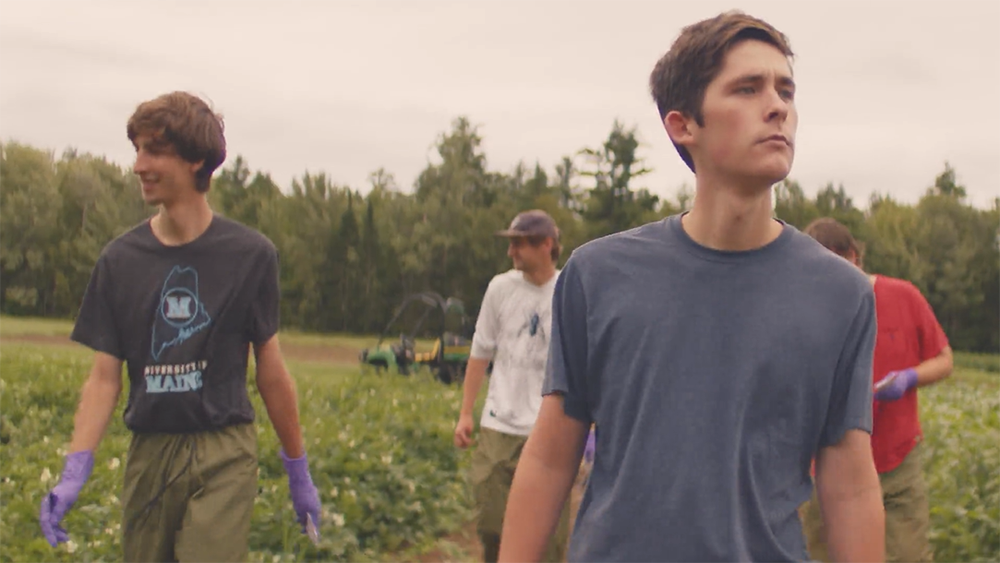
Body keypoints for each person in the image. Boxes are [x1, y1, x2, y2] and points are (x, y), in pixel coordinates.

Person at [497, 11, 886, 562]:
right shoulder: (598, 276)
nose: (777, 106)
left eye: (785, 89)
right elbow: (551, 458)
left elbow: (849, 482)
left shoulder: (842, 296)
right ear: (683, 125)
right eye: (747, 88)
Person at [38, 91, 322, 562]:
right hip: (149, 451)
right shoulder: (119, 261)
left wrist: (298, 469)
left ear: (195, 159)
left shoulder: (250, 256)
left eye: (154, 150)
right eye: (137, 150)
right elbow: (105, 376)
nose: (138, 165)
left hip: (223, 450)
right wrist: (75, 468)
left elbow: (270, 369)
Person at [800, 217, 953, 563]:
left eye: (838, 264)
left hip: (896, 461)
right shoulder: (804, 312)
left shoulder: (902, 296)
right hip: (824, 464)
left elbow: (944, 360)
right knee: (821, 554)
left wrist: (908, 378)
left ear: (855, 257)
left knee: (908, 554)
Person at [452, 209, 570, 563]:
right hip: (498, 425)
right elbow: (480, 350)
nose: (511, 252)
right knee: (491, 525)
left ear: (546, 244)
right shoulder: (500, 288)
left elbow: (586, 362)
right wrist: (464, 414)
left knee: (547, 539)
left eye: (518, 244)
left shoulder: (568, 291)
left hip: (549, 429)